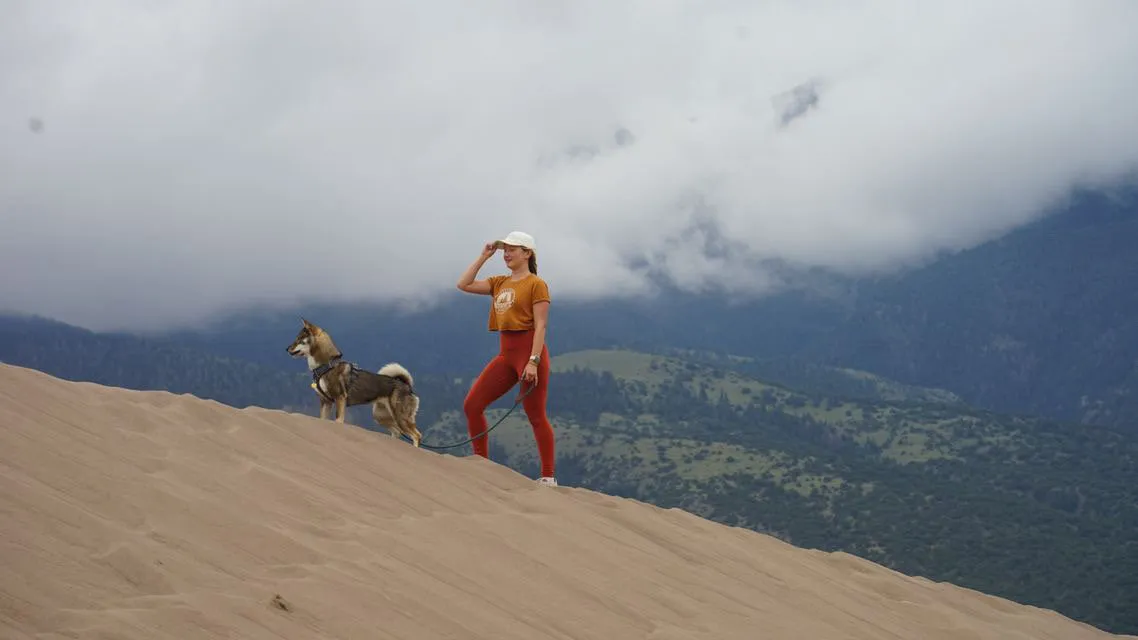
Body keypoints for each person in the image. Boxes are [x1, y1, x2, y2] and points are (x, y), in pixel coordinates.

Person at [455, 230, 557, 486]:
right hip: (506, 354)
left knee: (535, 415)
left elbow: (541, 325)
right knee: (472, 405)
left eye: (512, 249)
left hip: (529, 353)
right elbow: (463, 284)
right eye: (505, 249)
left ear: (527, 253)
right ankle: (482, 463)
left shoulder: (536, 284)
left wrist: (533, 361)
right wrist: (483, 257)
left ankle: (548, 476)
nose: (507, 254)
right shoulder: (500, 282)